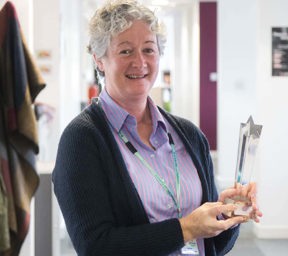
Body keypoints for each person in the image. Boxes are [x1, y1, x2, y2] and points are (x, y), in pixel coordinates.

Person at [52, 1, 262, 255]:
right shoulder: (82, 139)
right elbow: (95, 246)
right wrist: (185, 229)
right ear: (99, 60)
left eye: (149, 50)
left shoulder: (189, 135)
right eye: (125, 51)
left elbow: (212, 246)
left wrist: (225, 215)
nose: (140, 62)